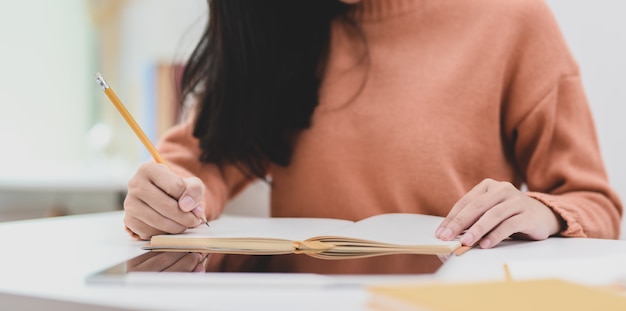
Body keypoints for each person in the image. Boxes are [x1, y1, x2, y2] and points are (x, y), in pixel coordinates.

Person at [123, 0, 622, 272]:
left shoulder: (516, 20)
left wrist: (545, 211)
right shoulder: (279, 27)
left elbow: (595, 203)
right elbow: (198, 165)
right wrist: (166, 198)